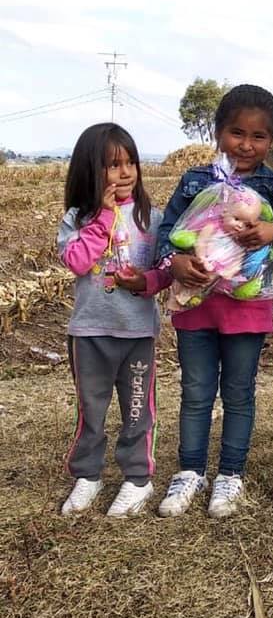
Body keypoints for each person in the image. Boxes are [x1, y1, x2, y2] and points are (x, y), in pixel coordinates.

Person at [155, 85, 273, 518]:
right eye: (236, 133)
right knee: (196, 391)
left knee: (239, 393)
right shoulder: (196, 181)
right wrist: (176, 262)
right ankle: (190, 471)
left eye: (259, 137)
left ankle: (230, 474)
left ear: (271, 141)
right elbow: (168, 230)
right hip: (195, 302)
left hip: (247, 304)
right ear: (217, 132)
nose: (246, 145)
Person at [57, 123, 166, 517]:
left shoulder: (152, 218)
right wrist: (102, 217)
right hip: (89, 334)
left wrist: (145, 282)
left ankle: (138, 479)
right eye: (113, 165)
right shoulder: (77, 219)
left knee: (138, 411)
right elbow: (77, 262)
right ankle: (88, 475)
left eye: (131, 162)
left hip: (137, 334)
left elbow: (165, 271)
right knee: (92, 409)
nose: (125, 172)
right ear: (91, 171)